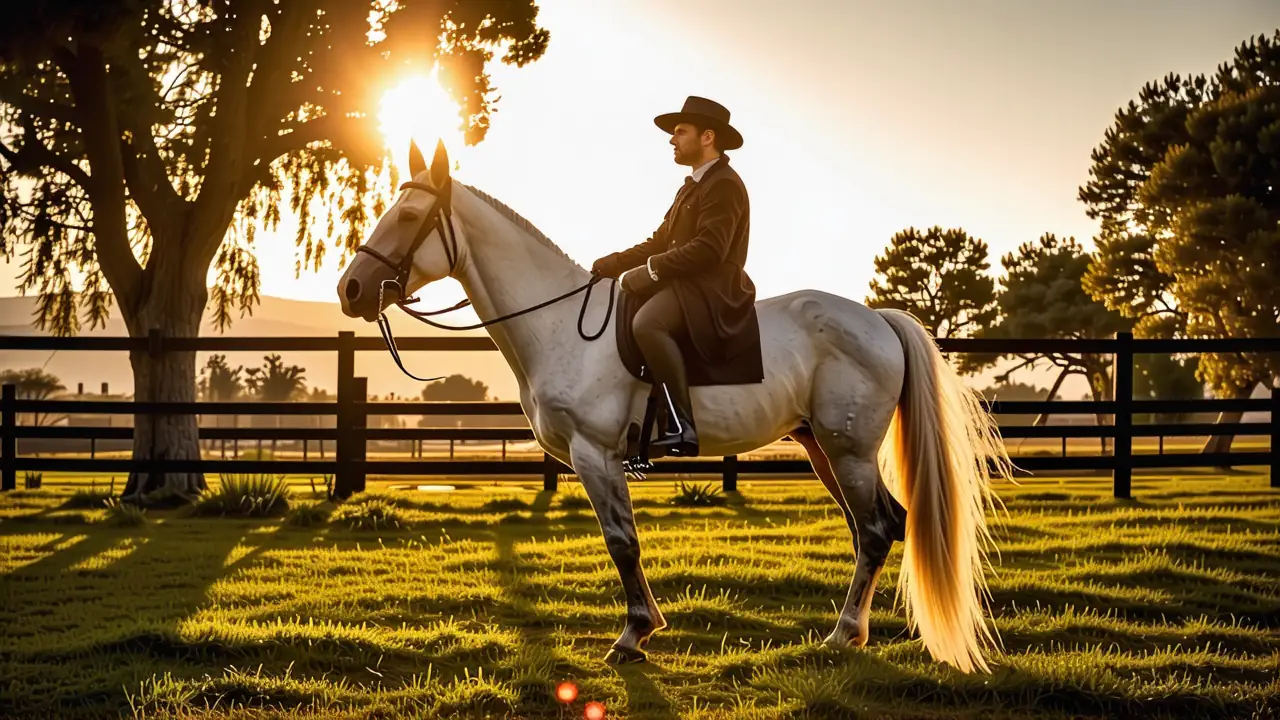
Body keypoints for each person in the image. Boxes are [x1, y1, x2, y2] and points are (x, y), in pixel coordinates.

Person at [591, 96, 759, 458]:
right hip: (687, 284)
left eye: (680, 132)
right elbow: (659, 241)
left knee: (648, 324)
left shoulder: (725, 184)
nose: (672, 139)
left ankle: (682, 425)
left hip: (714, 288)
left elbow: (709, 250)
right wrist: (614, 263)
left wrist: (651, 270)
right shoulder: (691, 187)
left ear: (708, 137)